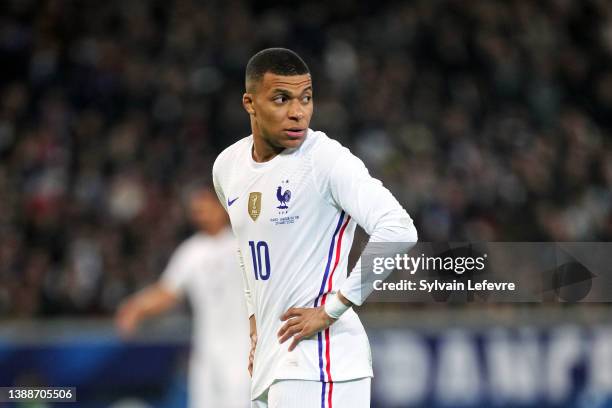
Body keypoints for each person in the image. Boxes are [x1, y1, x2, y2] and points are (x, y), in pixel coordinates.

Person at [212, 48, 418, 408]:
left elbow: (398, 230)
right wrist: (254, 323)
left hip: (322, 363)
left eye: (306, 98)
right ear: (250, 103)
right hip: (273, 362)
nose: (298, 112)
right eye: (281, 99)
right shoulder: (227, 167)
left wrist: (334, 308)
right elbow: (248, 250)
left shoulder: (325, 160)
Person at [115, 186, 250, 408]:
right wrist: (135, 307)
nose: (200, 215)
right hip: (206, 355)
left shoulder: (243, 243)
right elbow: (167, 292)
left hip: (243, 353)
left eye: (204, 208)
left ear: (222, 207)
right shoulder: (192, 251)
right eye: (196, 210)